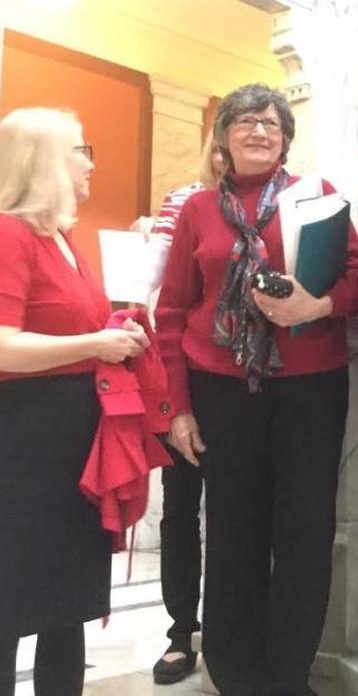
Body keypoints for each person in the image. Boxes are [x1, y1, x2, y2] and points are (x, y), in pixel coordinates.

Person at [156, 83, 358, 696]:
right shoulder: (197, 210)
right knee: (232, 528)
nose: (259, 132)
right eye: (246, 122)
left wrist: (318, 304)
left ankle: (287, 672)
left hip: (310, 388)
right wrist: (177, 408)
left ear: (286, 139)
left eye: (272, 124)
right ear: (222, 135)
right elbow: (171, 313)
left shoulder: (318, 195)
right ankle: (234, 668)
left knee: (304, 529)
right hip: (221, 390)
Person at [0, 108, 152, 695]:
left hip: (75, 438)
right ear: (42, 158)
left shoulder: (62, 238)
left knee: (66, 608)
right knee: (5, 612)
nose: (91, 160)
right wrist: (98, 341)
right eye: (81, 147)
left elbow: (70, 329)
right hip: (22, 443)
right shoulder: (1, 232)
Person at [145, 134, 223, 685]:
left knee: (232, 514)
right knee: (180, 510)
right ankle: (180, 629)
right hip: (183, 371)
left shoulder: (274, 203)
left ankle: (222, 625)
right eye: (218, 147)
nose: (225, 156)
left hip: (239, 381)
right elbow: (160, 288)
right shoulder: (185, 201)